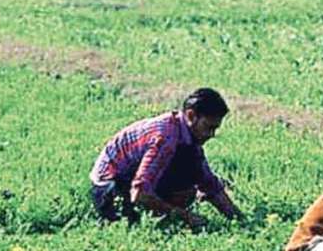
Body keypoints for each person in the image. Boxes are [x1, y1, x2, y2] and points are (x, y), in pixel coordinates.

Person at [90, 87, 242, 228]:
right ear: (191, 116)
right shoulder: (165, 138)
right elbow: (139, 194)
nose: (211, 135)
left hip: (131, 178)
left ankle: (163, 212)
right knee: (133, 219)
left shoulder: (188, 139)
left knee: (189, 183)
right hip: (109, 187)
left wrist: (240, 220)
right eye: (208, 128)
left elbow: (210, 185)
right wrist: (184, 216)